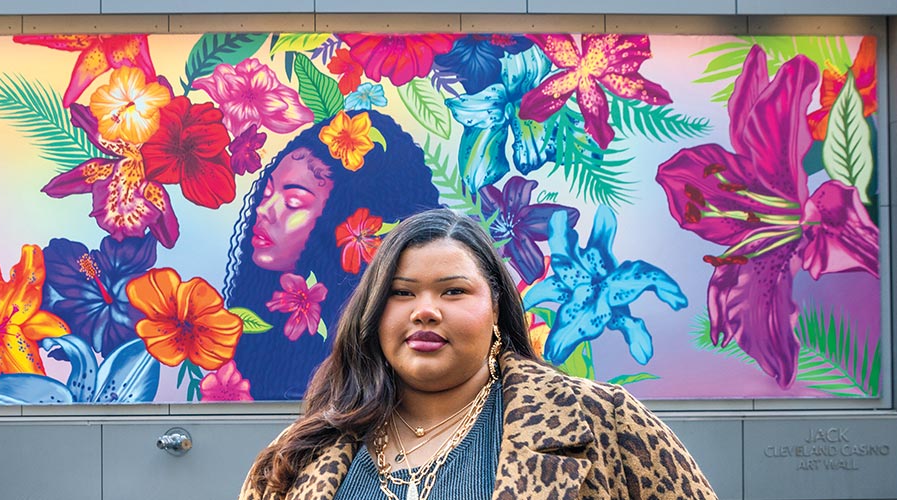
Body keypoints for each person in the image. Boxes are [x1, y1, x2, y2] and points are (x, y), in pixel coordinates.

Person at [238, 209, 717, 500]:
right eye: (402, 293)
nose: (424, 311)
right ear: (373, 314)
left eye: (453, 291)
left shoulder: (600, 420)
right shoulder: (300, 453)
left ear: (496, 311)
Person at [225, 110, 441, 401]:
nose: (265, 211)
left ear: (343, 220)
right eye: (266, 194)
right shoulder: (256, 335)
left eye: (292, 201)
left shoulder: (400, 341)